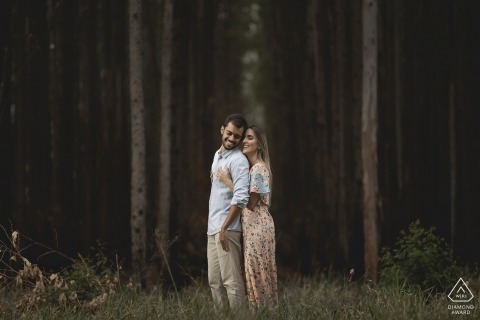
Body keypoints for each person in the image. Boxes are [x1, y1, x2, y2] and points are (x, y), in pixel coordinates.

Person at [217, 125, 278, 308]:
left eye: (250, 138)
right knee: (255, 272)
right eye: (245, 138)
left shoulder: (259, 169)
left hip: (259, 226)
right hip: (252, 227)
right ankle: (262, 312)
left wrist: (228, 181)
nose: (244, 141)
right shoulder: (253, 169)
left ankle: (263, 312)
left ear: (259, 143)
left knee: (257, 271)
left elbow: (250, 203)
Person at [207, 113, 249, 308]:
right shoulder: (217, 155)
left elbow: (241, 198)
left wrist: (224, 228)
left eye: (237, 136)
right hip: (213, 228)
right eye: (229, 133)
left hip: (228, 229)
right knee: (215, 282)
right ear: (222, 130)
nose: (232, 139)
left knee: (231, 282)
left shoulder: (239, 160)